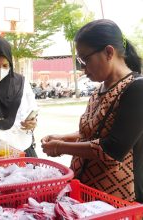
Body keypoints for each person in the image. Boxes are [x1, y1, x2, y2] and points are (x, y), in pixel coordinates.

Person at [41, 19, 143, 202]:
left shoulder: (137, 89)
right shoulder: (99, 89)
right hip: (86, 191)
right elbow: (91, 133)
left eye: (85, 59)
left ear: (108, 52)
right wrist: (63, 137)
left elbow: (112, 149)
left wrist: (59, 147)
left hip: (117, 199)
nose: (82, 68)